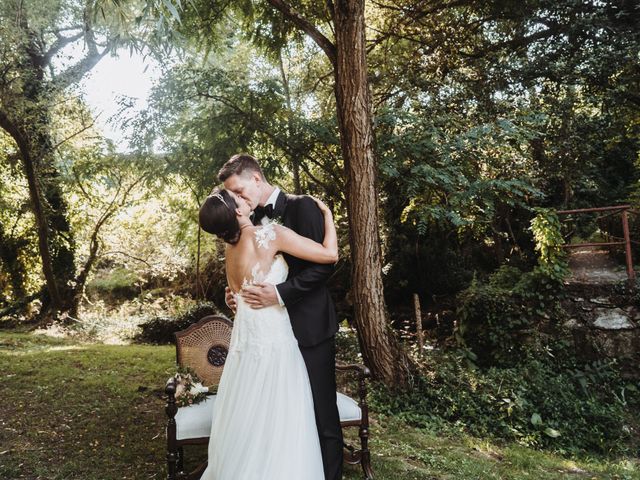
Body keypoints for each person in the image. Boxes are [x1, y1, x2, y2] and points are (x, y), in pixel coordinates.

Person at [198, 183, 338, 479]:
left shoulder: (230, 248)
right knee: (282, 413)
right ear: (237, 209)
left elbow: (239, 291)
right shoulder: (270, 235)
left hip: (246, 342)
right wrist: (328, 216)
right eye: (239, 197)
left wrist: (233, 297)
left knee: (251, 412)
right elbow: (329, 255)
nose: (246, 198)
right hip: (274, 338)